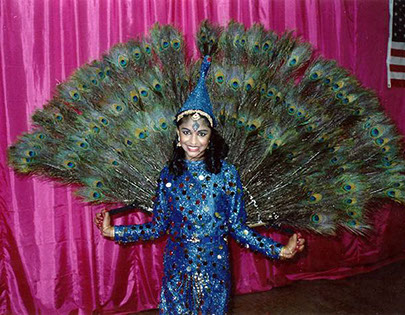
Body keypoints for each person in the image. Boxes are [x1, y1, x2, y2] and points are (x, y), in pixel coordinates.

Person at [95, 56, 305, 314]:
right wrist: (114, 232)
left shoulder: (227, 175)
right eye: (187, 132)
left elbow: (238, 228)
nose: (193, 140)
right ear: (177, 134)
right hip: (176, 271)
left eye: (201, 133)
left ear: (211, 137)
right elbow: (157, 227)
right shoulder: (168, 176)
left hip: (214, 274)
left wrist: (279, 251)